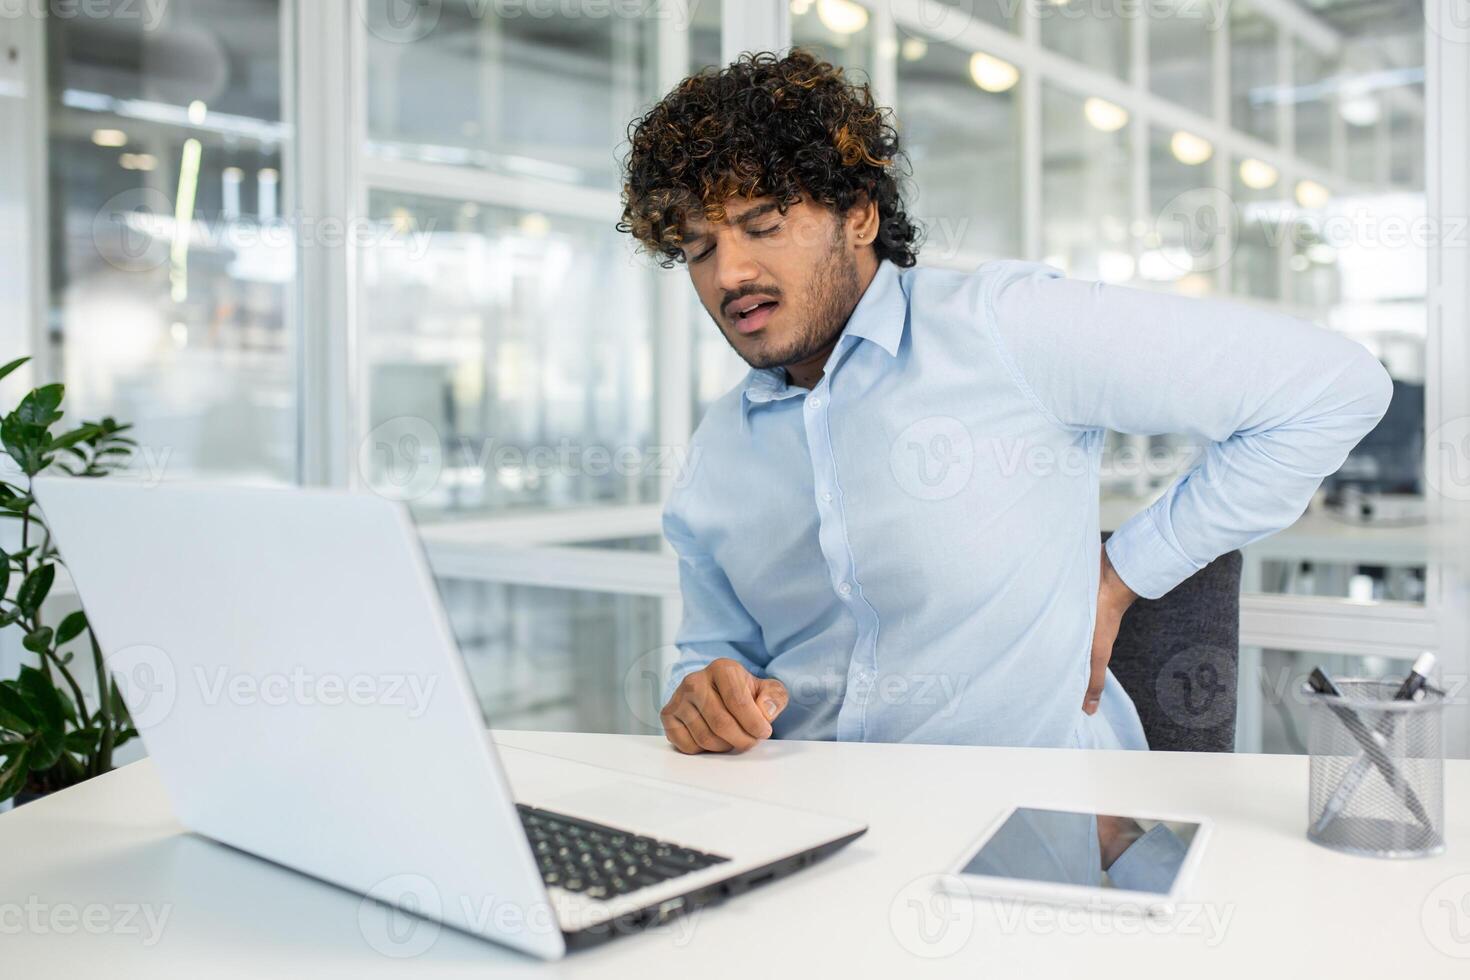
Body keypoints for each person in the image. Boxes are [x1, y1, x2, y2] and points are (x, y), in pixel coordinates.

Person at [615, 50, 1392, 755]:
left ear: (858, 215)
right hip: (797, 828)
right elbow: (713, 654)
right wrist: (704, 696)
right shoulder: (720, 448)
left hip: (1012, 835)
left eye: (764, 226)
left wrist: (1120, 575)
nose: (728, 274)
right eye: (698, 247)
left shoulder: (1002, 328)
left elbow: (1332, 387)